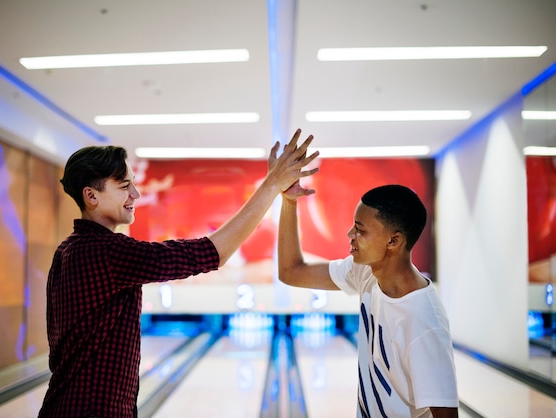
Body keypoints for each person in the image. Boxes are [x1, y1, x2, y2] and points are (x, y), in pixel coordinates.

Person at [38, 129, 319, 417]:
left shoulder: (69, 249)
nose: (136, 194)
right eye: (124, 186)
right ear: (91, 196)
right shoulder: (104, 251)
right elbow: (211, 252)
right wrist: (271, 186)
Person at [277, 183, 458, 418]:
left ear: (393, 241)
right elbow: (291, 271)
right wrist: (289, 201)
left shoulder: (423, 321)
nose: (350, 235)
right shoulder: (366, 273)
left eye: (360, 230)